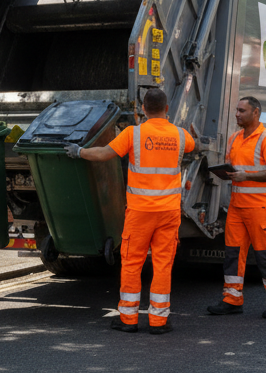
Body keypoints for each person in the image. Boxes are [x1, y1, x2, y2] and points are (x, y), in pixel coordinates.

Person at [68, 88, 196, 334]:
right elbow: (193, 145)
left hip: (140, 212)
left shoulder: (133, 134)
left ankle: (128, 319)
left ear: (142, 110)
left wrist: (79, 152)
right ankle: (159, 321)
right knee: (162, 264)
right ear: (167, 109)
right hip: (169, 212)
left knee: (132, 263)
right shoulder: (180, 135)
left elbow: (105, 153)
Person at [207, 96, 266, 319]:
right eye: (236, 110)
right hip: (237, 206)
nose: (237, 114)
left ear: (256, 113)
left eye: (242, 111)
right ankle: (232, 299)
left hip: (260, 208)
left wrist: (246, 175)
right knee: (233, 253)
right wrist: (226, 173)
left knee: (264, 254)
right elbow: (234, 167)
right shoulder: (234, 138)